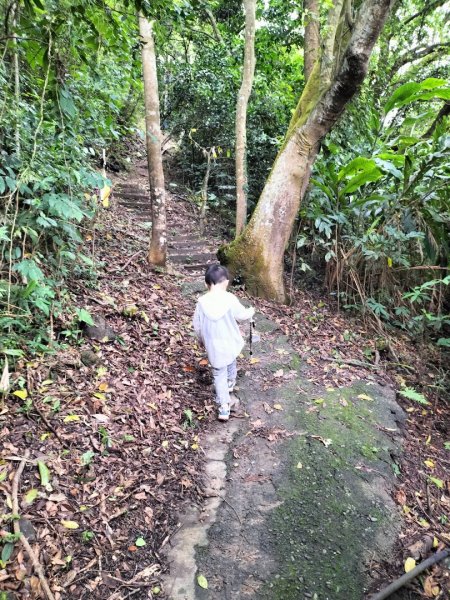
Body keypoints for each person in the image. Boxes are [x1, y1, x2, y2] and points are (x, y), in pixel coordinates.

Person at [193, 264, 255, 421]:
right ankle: (230, 383)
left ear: (206, 284)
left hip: (213, 344)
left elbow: (197, 325)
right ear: (226, 282)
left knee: (218, 372)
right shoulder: (229, 298)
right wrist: (251, 312)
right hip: (230, 340)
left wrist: (200, 339)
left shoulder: (202, 302)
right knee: (231, 357)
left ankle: (223, 408)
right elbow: (241, 315)